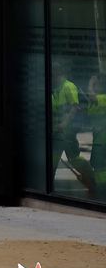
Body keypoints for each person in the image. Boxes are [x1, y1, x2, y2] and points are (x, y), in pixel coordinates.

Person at [50, 65, 95, 193]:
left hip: (67, 132)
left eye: (54, 73)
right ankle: (49, 186)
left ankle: (91, 179)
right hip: (58, 132)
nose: (52, 76)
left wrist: (64, 124)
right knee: (53, 159)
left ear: (60, 73)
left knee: (74, 158)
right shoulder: (55, 89)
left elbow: (74, 107)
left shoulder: (68, 86)